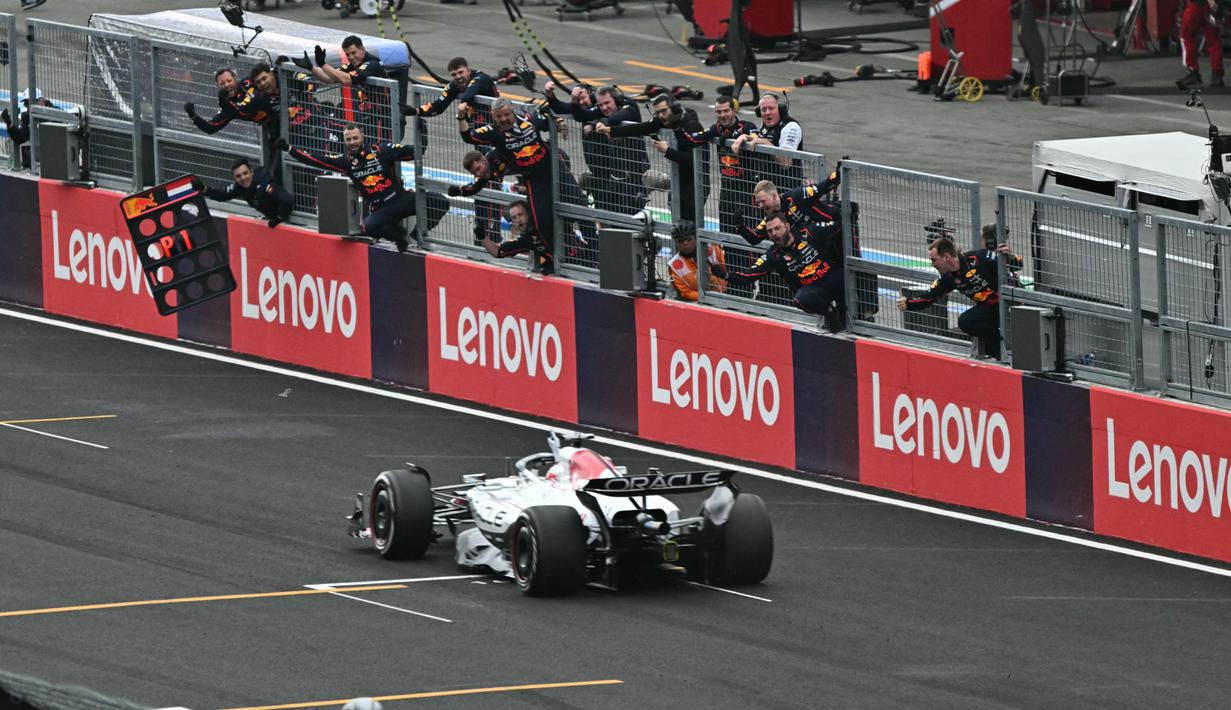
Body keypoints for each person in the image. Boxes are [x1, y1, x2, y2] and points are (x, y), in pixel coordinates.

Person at [280, 124, 445, 252]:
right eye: (348, 140)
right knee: (369, 227)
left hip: (402, 198)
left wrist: (422, 129)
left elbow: (415, 152)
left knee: (440, 202)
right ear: (344, 142)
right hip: (381, 208)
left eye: (355, 138)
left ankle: (418, 233)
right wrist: (290, 149)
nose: (352, 143)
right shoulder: (345, 162)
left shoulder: (380, 151)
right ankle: (399, 236)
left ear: (362, 137)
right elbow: (315, 160)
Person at [717, 211, 846, 331]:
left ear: (787, 226)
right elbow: (749, 276)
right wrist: (725, 275)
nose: (774, 233)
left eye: (777, 228)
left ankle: (860, 312)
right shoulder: (773, 256)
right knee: (800, 298)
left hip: (833, 277)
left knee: (857, 276)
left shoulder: (808, 233)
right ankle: (831, 313)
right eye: (770, 231)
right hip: (814, 292)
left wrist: (843, 211)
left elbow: (838, 226)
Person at [896, 235, 1022, 358]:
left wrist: (1009, 256)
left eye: (934, 260)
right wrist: (908, 303)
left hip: (1014, 301)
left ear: (946, 257)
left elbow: (1017, 264)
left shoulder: (978, 257)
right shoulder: (948, 277)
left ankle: (1011, 348)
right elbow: (930, 296)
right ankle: (1002, 353)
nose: (932, 264)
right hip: (991, 309)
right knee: (966, 321)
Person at [596, 92, 709, 223]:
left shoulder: (692, 125)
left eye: (664, 111)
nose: (661, 116)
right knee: (678, 225)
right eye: (657, 113)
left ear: (674, 108)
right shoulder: (666, 119)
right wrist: (609, 130)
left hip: (697, 183)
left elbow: (694, 161)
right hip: (679, 182)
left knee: (690, 227)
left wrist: (668, 151)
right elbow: (640, 128)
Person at [541, 82, 649, 217]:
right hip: (609, 175)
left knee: (629, 216)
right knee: (606, 214)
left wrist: (602, 125)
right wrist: (554, 96)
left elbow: (617, 117)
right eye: (601, 104)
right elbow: (578, 114)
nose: (604, 107)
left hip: (633, 173)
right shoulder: (598, 107)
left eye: (607, 103)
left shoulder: (628, 105)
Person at [459, 98, 557, 245]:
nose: (478, 174)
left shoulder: (494, 157)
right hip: (533, 178)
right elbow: (478, 183)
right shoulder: (487, 169)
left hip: (553, 164)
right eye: (499, 116)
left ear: (483, 160)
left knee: (569, 206)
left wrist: (556, 117)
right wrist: (460, 191)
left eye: (477, 169)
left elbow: (549, 119)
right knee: (542, 220)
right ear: (494, 117)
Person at [686, 95, 758, 235]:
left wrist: (743, 138)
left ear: (734, 111)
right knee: (725, 234)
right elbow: (692, 139)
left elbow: (758, 138)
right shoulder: (716, 129)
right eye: (719, 112)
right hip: (726, 190)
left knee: (749, 233)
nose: (723, 115)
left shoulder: (747, 126)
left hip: (748, 190)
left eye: (726, 111)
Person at [185, 68, 277, 145]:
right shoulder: (228, 108)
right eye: (222, 83)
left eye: (229, 81)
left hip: (283, 108)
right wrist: (193, 115)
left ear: (235, 79)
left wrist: (278, 70)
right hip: (275, 126)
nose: (227, 85)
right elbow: (211, 127)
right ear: (218, 86)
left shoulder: (248, 82)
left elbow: (266, 76)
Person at [731, 91, 803, 184]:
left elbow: (786, 163)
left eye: (771, 108)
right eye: (763, 109)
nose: (767, 112)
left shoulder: (791, 127)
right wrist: (746, 137)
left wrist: (766, 143)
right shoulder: (766, 125)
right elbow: (764, 140)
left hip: (786, 189)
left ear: (780, 109)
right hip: (767, 187)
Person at [203, 158, 293, 228]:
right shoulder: (239, 187)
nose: (243, 178)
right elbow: (222, 195)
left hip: (290, 219)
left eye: (245, 173)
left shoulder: (265, 185)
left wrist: (279, 218)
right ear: (234, 179)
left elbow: (286, 200)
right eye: (238, 176)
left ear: (252, 172)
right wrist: (204, 189)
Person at [409, 57, 500, 124]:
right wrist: (416, 111)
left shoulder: (481, 78)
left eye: (461, 72)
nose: (458, 77)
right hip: (478, 129)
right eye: (454, 74)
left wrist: (463, 101)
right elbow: (438, 107)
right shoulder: (454, 85)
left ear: (468, 70)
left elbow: (470, 91)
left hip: (499, 124)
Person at [479, 200, 554, 275]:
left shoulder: (546, 224)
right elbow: (498, 252)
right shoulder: (525, 239)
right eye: (514, 218)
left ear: (529, 213)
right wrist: (483, 237)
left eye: (520, 215)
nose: (518, 220)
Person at [667, 220, 726, 301]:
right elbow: (685, 292)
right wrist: (707, 298)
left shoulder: (713, 248)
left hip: (727, 296)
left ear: (695, 237)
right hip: (702, 303)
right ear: (675, 243)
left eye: (688, 239)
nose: (685, 243)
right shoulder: (674, 266)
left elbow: (727, 269)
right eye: (680, 240)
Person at [1177, 0, 1227, 89]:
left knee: (1186, 35)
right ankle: (1217, 74)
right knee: (1213, 40)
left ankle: (1193, 71)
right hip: (1209, 6)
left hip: (1197, 5)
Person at [1, 97, 51, 168]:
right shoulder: (27, 119)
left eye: (28, 103)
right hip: (35, 164)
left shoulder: (54, 114)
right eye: (26, 104)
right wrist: (8, 122)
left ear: (41, 102)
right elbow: (20, 137)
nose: (27, 106)